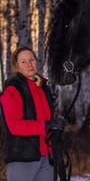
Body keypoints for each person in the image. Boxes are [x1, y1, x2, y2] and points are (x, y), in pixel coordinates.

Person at [0, 46, 67, 181]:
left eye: (32, 60)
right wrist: (47, 125)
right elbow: (15, 126)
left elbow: (46, 121)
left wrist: (55, 126)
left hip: (46, 158)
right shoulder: (12, 90)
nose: (29, 64)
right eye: (23, 61)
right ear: (16, 66)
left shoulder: (43, 88)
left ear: (37, 62)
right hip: (22, 158)